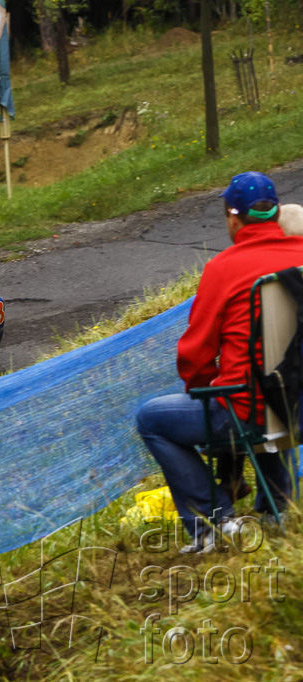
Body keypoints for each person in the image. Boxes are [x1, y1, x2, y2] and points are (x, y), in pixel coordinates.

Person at [136, 171, 303, 553]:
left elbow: (193, 357)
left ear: (232, 216)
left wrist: (208, 388)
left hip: (254, 413)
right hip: (299, 406)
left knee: (152, 419)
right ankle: (280, 509)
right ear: (276, 212)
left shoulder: (224, 269)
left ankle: (215, 522)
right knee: (278, 386)